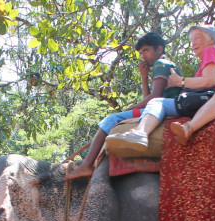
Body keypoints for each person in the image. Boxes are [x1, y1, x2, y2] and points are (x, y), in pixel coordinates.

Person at [64, 32, 183, 180]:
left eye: (146, 50)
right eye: (141, 53)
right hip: (160, 108)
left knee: (112, 119)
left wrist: (129, 109)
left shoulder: (161, 63)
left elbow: (155, 97)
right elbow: (149, 99)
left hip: (164, 109)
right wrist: (143, 77)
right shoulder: (165, 65)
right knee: (115, 118)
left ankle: (87, 165)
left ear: (159, 49)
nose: (143, 56)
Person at [105, 25, 215, 152]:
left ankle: (140, 133)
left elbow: (209, 81)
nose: (193, 44)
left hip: (210, 101)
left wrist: (181, 81)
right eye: (191, 40)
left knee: (156, 103)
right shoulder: (211, 57)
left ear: (211, 40)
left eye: (197, 38)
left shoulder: (210, 50)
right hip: (210, 100)